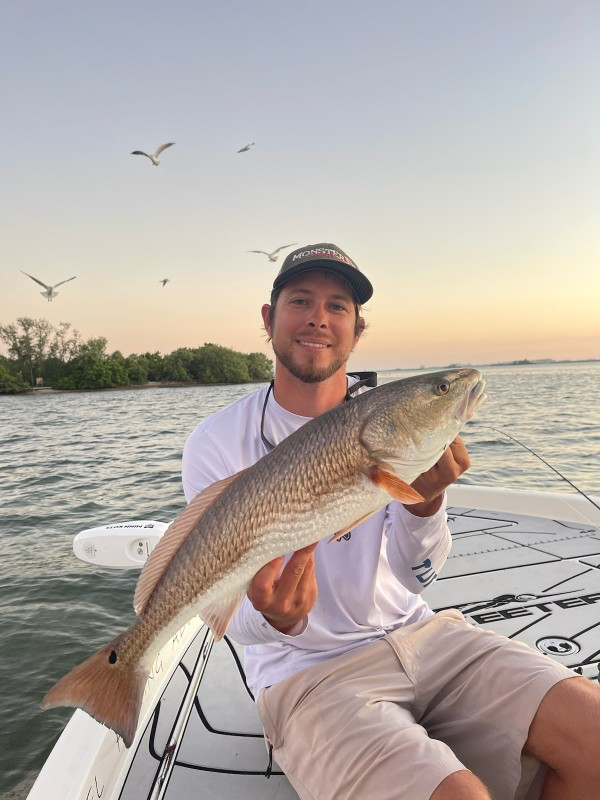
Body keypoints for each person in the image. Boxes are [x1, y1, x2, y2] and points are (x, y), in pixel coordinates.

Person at [182, 243, 600, 800]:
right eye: (300, 300)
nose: (318, 318)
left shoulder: (388, 423)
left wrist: (425, 507)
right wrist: (276, 621)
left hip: (426, 635)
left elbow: (415, 578)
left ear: (357, 331)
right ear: (268, 318)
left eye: (339, 306)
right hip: (306, 674)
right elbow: (223, 612)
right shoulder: (215, 443)